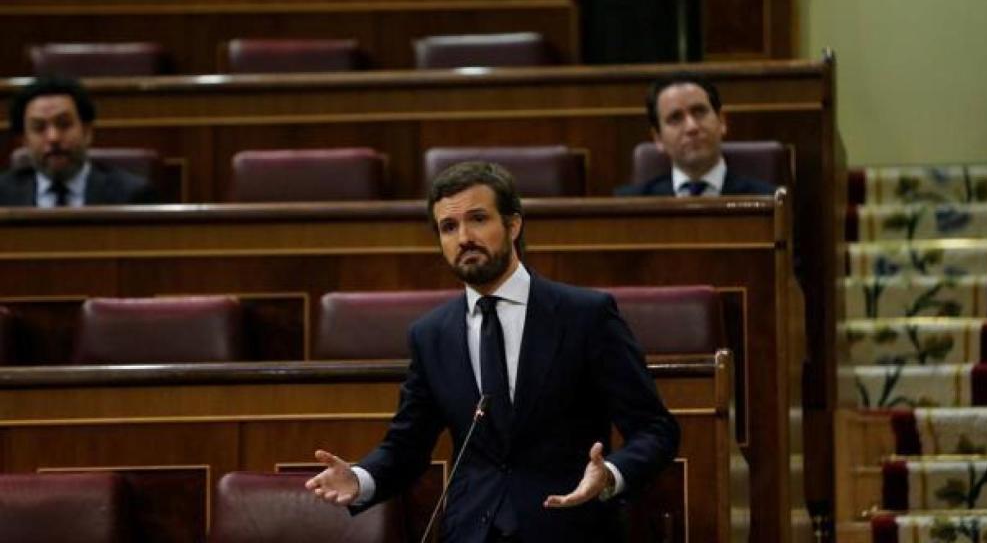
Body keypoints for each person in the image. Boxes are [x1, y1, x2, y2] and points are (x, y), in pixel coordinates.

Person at [306, 162, 679, 543]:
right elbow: (407, 446)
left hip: (567, 523)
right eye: (448, 227)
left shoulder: (585, 315)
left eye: (478, 219)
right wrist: (360, 478)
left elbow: (656, 430)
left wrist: (611, 475)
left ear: (513, 224)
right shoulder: (431, 335)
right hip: (471, 530)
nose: (464, 237)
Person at [0, 76, 157, 207]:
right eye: (39, 127)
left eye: (64, 124)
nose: (53, 137)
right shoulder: (3, 196)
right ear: (24, 141)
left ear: (87, 131)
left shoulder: (129, 195)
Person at [616, 72, 777, 197]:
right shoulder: (631, 204)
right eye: (675, 118)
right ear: (658, 138)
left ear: (722, 122)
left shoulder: (767, 200)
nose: (691, 127)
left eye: (699, 112)